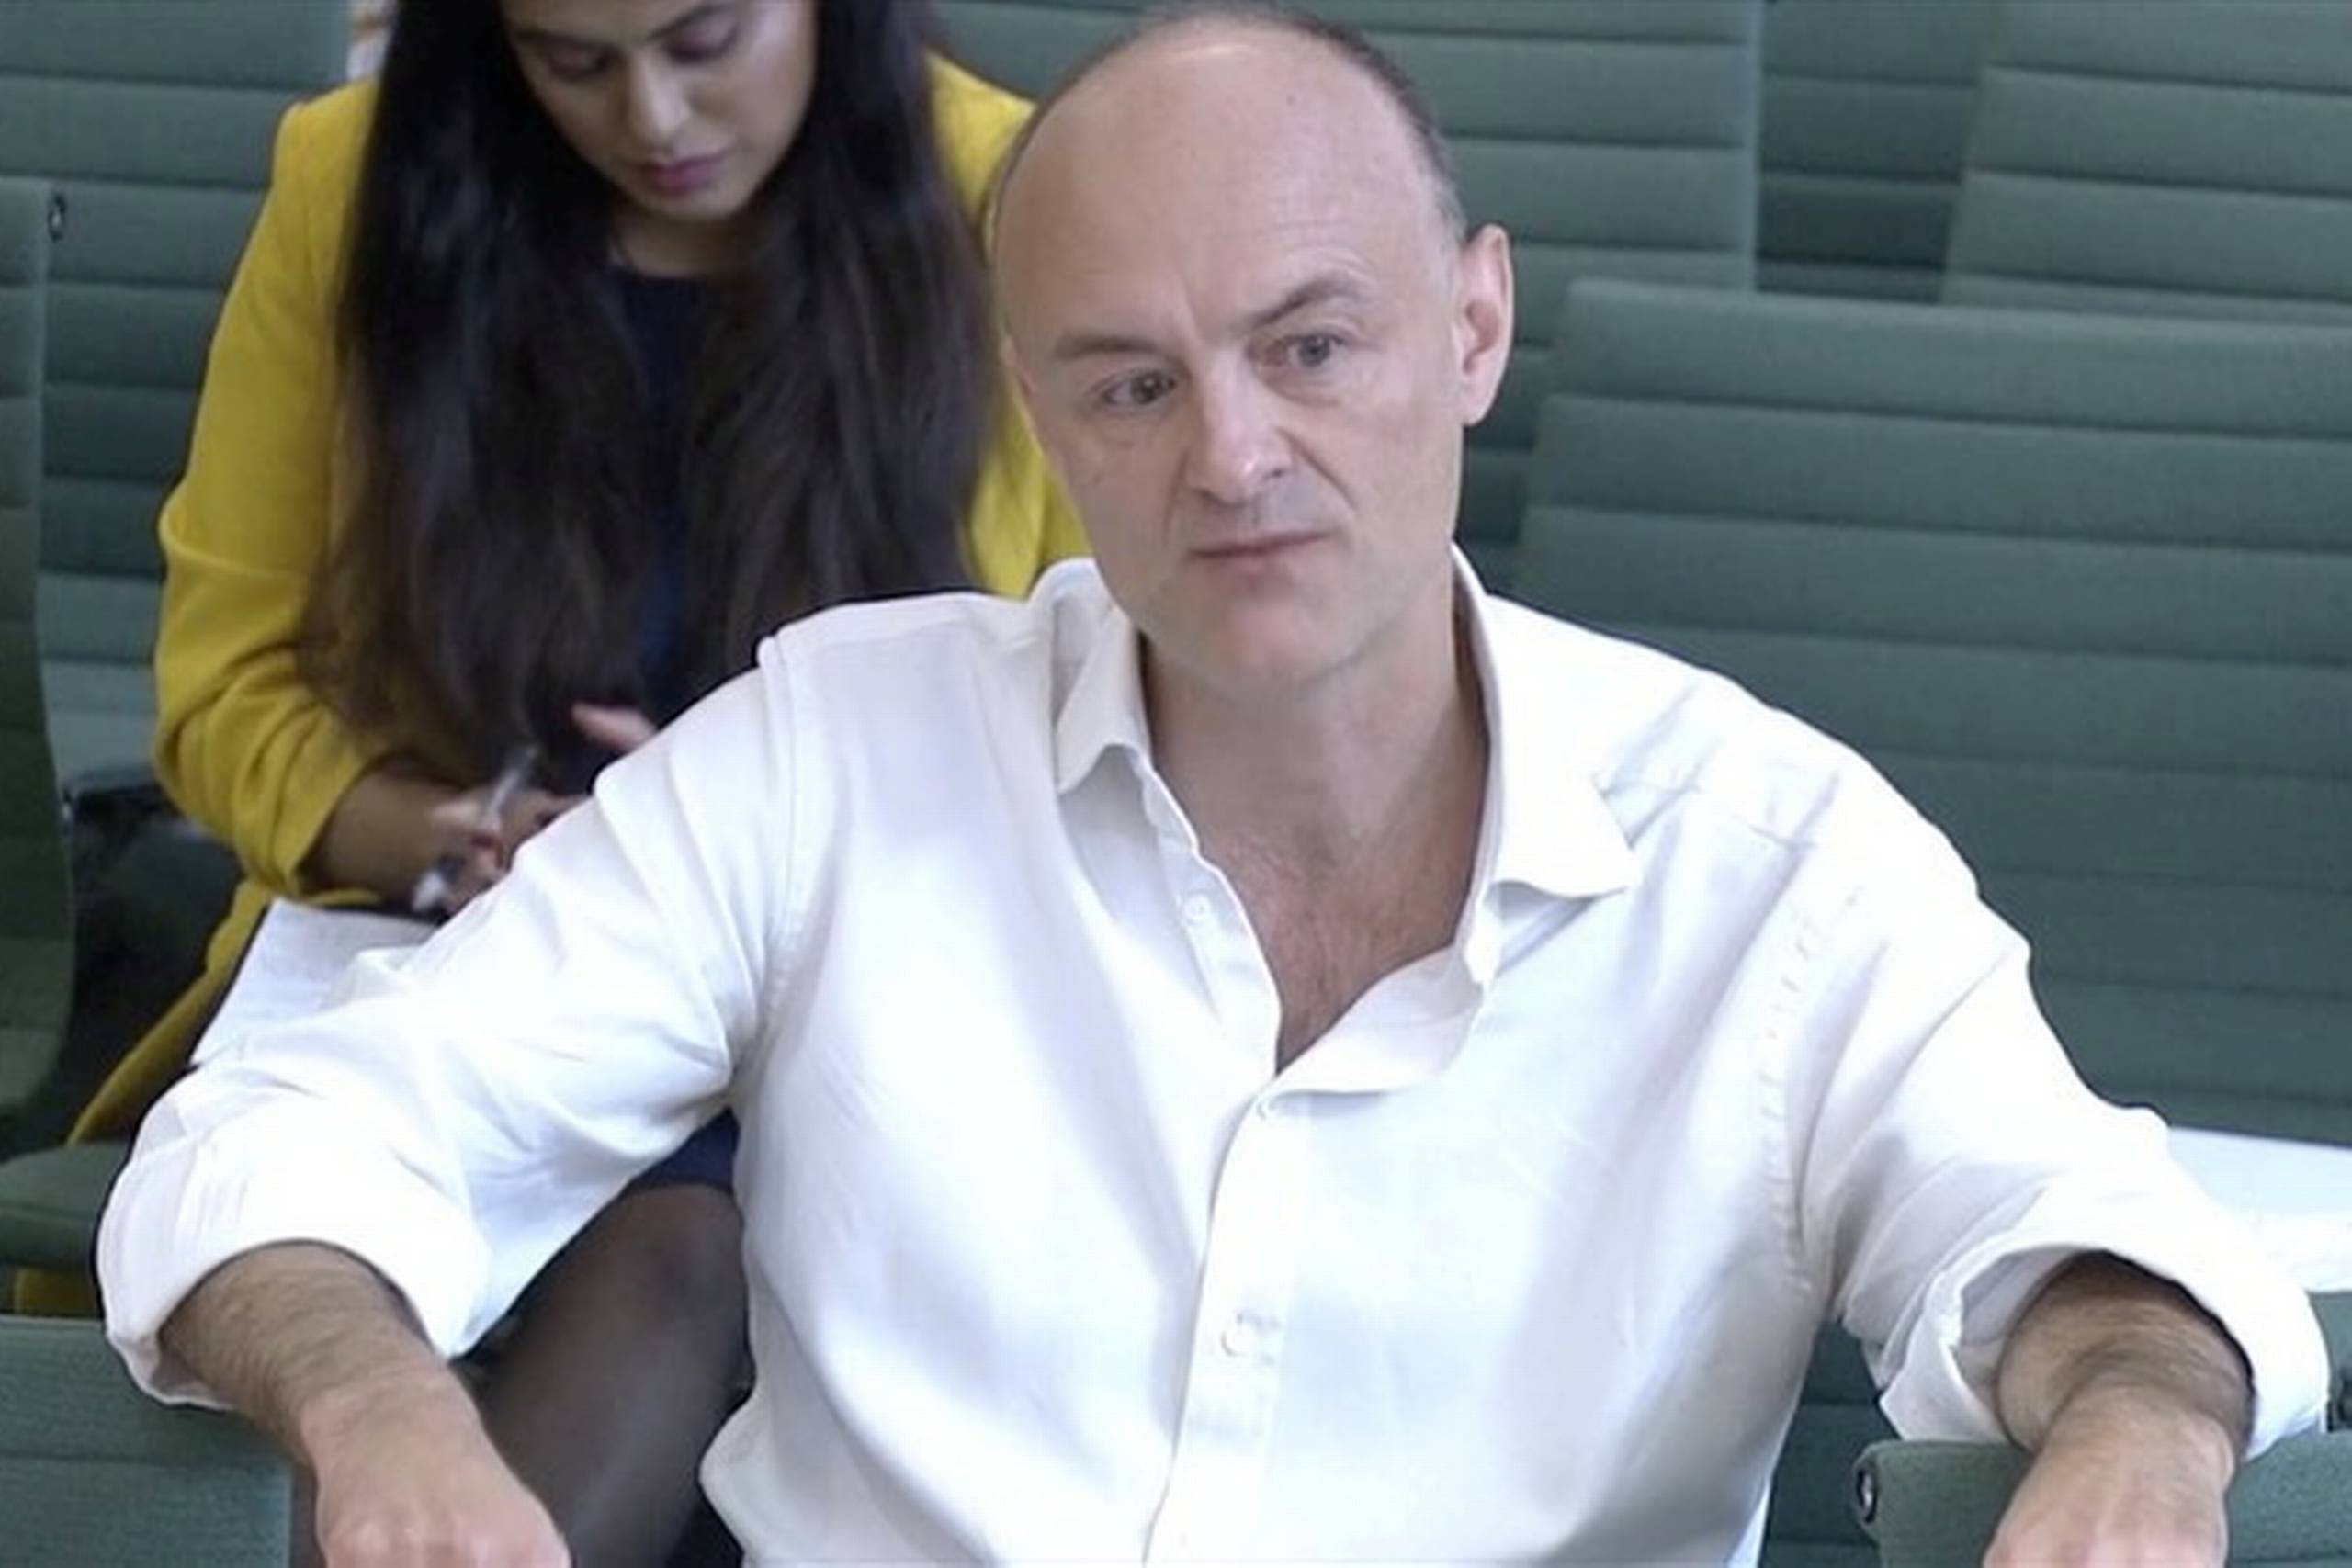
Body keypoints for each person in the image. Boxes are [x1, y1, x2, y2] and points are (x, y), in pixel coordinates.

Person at [99, 6, 2327, 1563]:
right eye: (1130, 383)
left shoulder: (1769, 857)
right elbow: (286, 1141)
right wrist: (381, 1407)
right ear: (1029, 408)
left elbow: (2074, 1233)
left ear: (1472, 327)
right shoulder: (823, 760)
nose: (1231, 456)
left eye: (1308, 345)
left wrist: (2137, 1419)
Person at [50, 0, 1081, 1561]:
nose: (652, 118)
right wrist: (444, 836)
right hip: (445, 942)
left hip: (837, 968)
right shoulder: (359, 181)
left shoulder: (1018, 196)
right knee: (324, 1263)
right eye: (573, 62)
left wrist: (741, 828)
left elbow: (1106, 711)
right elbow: (223, 690)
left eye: (706, 41)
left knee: (681, 1241)